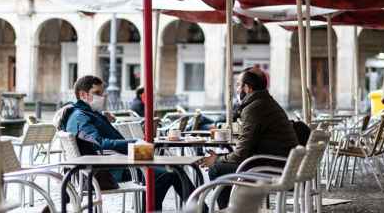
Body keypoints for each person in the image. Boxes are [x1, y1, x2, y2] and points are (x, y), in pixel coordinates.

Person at [54, 75, 194, 211]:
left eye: (102, 93)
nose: (102, 97)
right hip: (107, 170)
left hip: (110, 164)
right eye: (97, 93)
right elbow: (100, 143)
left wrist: (102, 117)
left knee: (174, 169)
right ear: (83, 94)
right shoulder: (80, 116)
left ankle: (199, 209)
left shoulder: (85, 113)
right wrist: (135, 142)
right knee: (168, 174)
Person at [200, 67, 298, 210]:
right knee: (223, 166)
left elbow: (241, 154)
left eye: (238, 84)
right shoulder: (265, 102)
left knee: (217, 169)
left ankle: (230, 211)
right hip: (280, 164)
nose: (236, 88)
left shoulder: (254, 108)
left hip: (272, 167)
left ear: (248, 88)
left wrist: (217, 159)